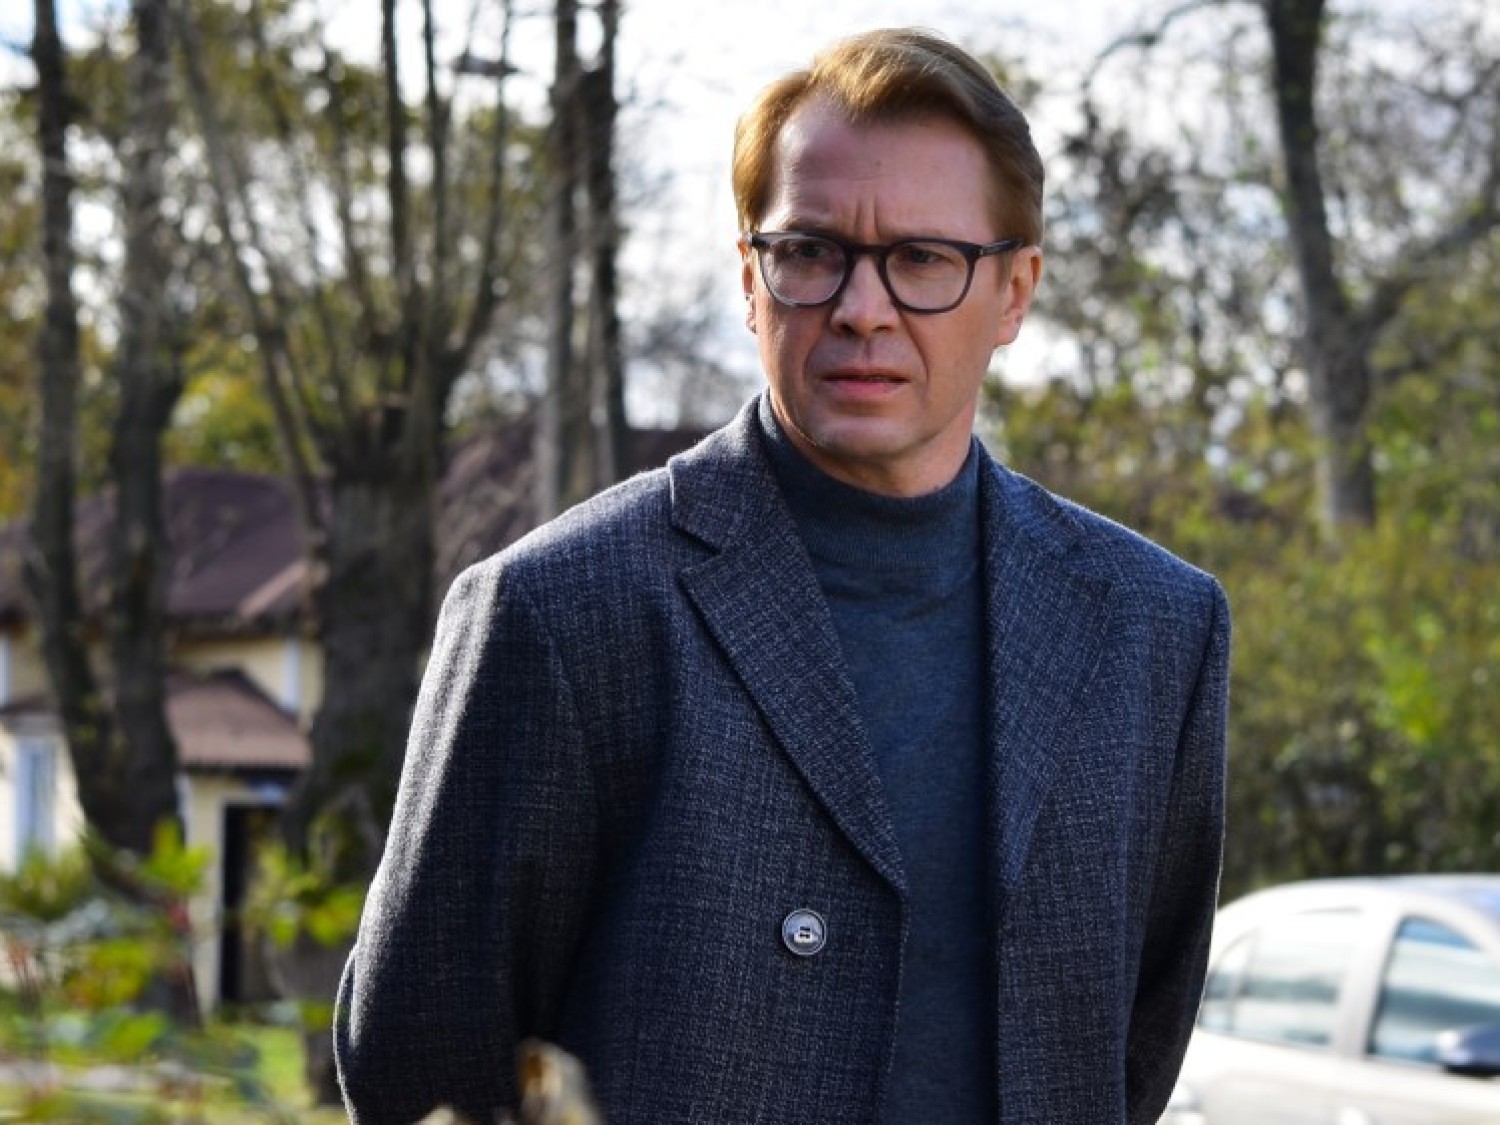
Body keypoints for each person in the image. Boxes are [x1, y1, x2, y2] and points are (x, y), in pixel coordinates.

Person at [334, 26, 1229, 1125]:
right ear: (752, 282)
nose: (862, 307)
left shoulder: (1155, 627)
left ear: (1015, 292)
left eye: (923, 258)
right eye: (811, 251)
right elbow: (420, 1070)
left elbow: (1129, 1055)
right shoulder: (561, 611)